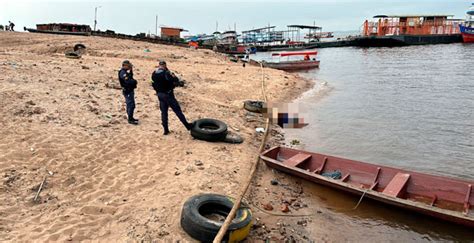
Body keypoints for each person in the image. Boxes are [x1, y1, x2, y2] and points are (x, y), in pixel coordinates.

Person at [151, 60, 193, 135]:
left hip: (160, 95)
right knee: (177, 110)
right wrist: (173, 77)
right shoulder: (166, 73)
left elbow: (153, 83)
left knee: (164, 113)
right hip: (168, 94)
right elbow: (175, 80)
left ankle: (165, 130)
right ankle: (187, 125)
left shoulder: (154, 73)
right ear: (165, 65)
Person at [118, 60, 139, 125]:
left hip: (129, 90)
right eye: (128, 66)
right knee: (131, 105)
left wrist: (131, 70)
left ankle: (131, 117)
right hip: (127, 90)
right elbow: (128, 81)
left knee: (131, 104)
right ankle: (130, 119)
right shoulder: (122, 73)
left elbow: (130, 77)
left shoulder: (126, 72)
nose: (129, 67)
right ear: (124, 65)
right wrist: (134, 81)